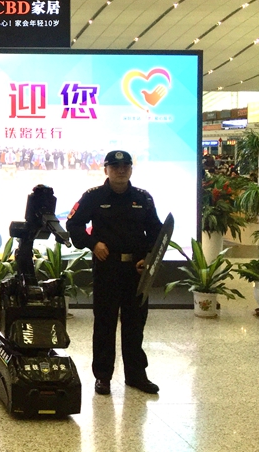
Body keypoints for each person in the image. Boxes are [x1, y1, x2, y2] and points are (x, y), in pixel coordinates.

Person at [65, 150, 163, 396]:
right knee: (105, 323)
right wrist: (93, 243)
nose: (121, 170)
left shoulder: (143, 198)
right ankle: (103, 376)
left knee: (135, 324)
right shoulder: (93, 196)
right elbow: (73, 224)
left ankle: (136, 375)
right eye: (115, 166)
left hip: (136, 271)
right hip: (107, 267)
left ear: (131, 169)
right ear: (106, 169)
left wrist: (148, 257)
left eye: (125, 166)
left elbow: (156, 232)